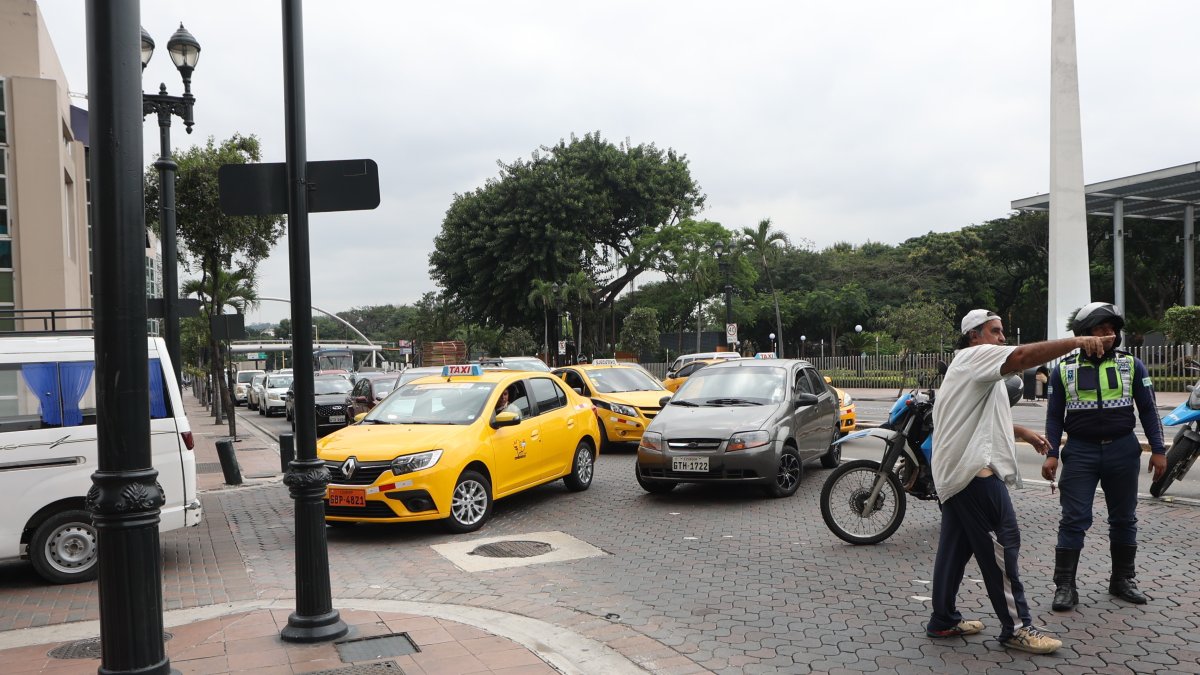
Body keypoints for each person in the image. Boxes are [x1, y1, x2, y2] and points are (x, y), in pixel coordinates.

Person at [925, 309, 1113, 654]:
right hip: (974, 473)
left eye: (1002, 332)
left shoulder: (968, 368)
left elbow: (972, 419)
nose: (1002, 338)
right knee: (1003, 546)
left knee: (954, 550)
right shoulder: (975, 356)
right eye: (995, 332)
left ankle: (943, 620)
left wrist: (1023, 432)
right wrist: (1079, 341)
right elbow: (1024, 355)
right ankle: (1016, 627)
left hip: (956, 474)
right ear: (974, 335)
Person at [1043, 302, 1167, 611]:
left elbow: (1149, 410)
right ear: (1084, 334)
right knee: (1073, 519)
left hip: (1123, 450)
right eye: (1101, 329)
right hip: (1081, 452)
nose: (1109, 334)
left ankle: (1122, 580)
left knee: (1124, 518)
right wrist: (1051, 453)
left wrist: (1160, 450)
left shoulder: (1132, 365)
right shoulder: (1064, 369)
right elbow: (1055, 416)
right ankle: (1065, 586)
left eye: (1112, 330)